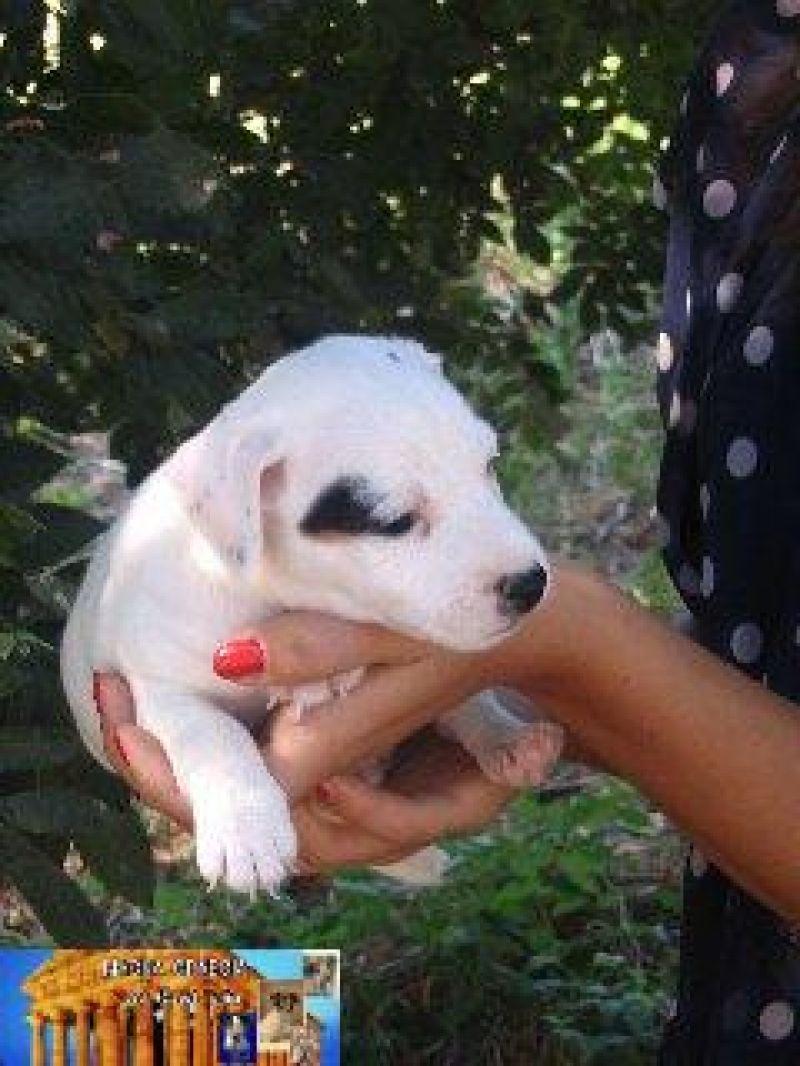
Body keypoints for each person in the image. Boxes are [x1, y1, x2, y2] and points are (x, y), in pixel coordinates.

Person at [91, 1, 800, 1059]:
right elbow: (753, 646)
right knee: (89, 1021)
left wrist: (560, 647)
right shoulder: (753, 72)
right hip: (728, 994)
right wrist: (479, 699)